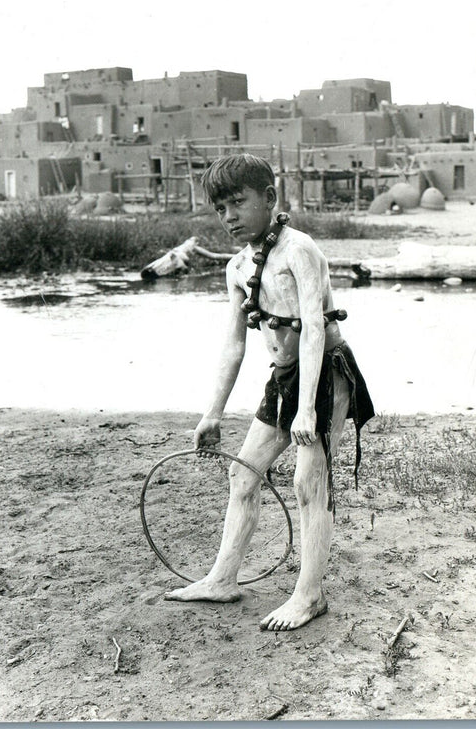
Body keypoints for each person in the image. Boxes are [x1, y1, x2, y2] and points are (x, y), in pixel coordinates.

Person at [165, 154, 374, 631]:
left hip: (325, 375)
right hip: (283, 378)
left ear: (270, 199)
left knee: (308, 484)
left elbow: (316, 330)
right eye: (220, 209)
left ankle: (310, 595)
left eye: (238, 203)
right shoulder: (238, 267)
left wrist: (306, 410)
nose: (229, 217)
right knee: (243, 476)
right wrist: (212, 413)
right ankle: (222, 578)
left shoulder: (300, 250)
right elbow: (234, 344)